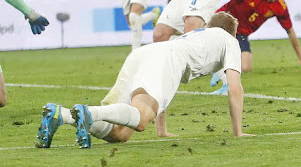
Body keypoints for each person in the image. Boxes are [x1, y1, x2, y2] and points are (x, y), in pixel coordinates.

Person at [35, 12, 251, 149]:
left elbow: (166, 85)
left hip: (145, 54)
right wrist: (238, 132)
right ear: (232, 34)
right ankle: (88, 112)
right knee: (139, 120)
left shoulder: (196, 37)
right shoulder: (229, 41)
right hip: (166, 59)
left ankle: (61, 115)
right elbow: (235, 88)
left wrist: (162, 130)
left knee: (121, 134)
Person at [209, 0, 301, 94]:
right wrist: (208, 13)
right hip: (224, 22)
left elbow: (290, 31)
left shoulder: (280, 7)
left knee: (246, 66)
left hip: (241, 33)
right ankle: (221, 75)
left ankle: (220, 70)